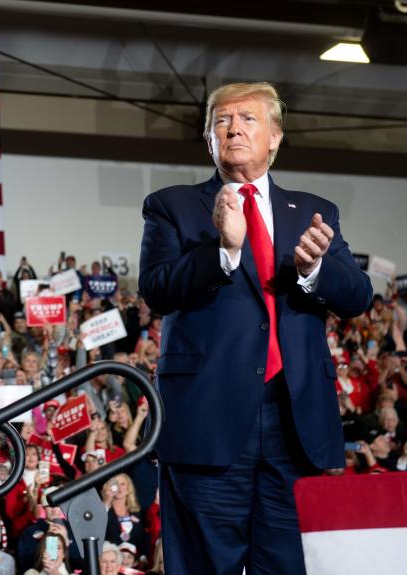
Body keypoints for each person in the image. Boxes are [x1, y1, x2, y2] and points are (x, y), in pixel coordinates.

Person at [139, 81, 373, 574]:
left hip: (296, 423)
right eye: (221, 120)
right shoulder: (172, 206)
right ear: (208, 140)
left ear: (275, 137)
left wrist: (314, 269)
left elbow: (357, 296)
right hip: (208, 422)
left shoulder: (315, 212)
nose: (234, 128)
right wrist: (222, 251)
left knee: (288, 565)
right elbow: (156, 290)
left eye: (247, 118)